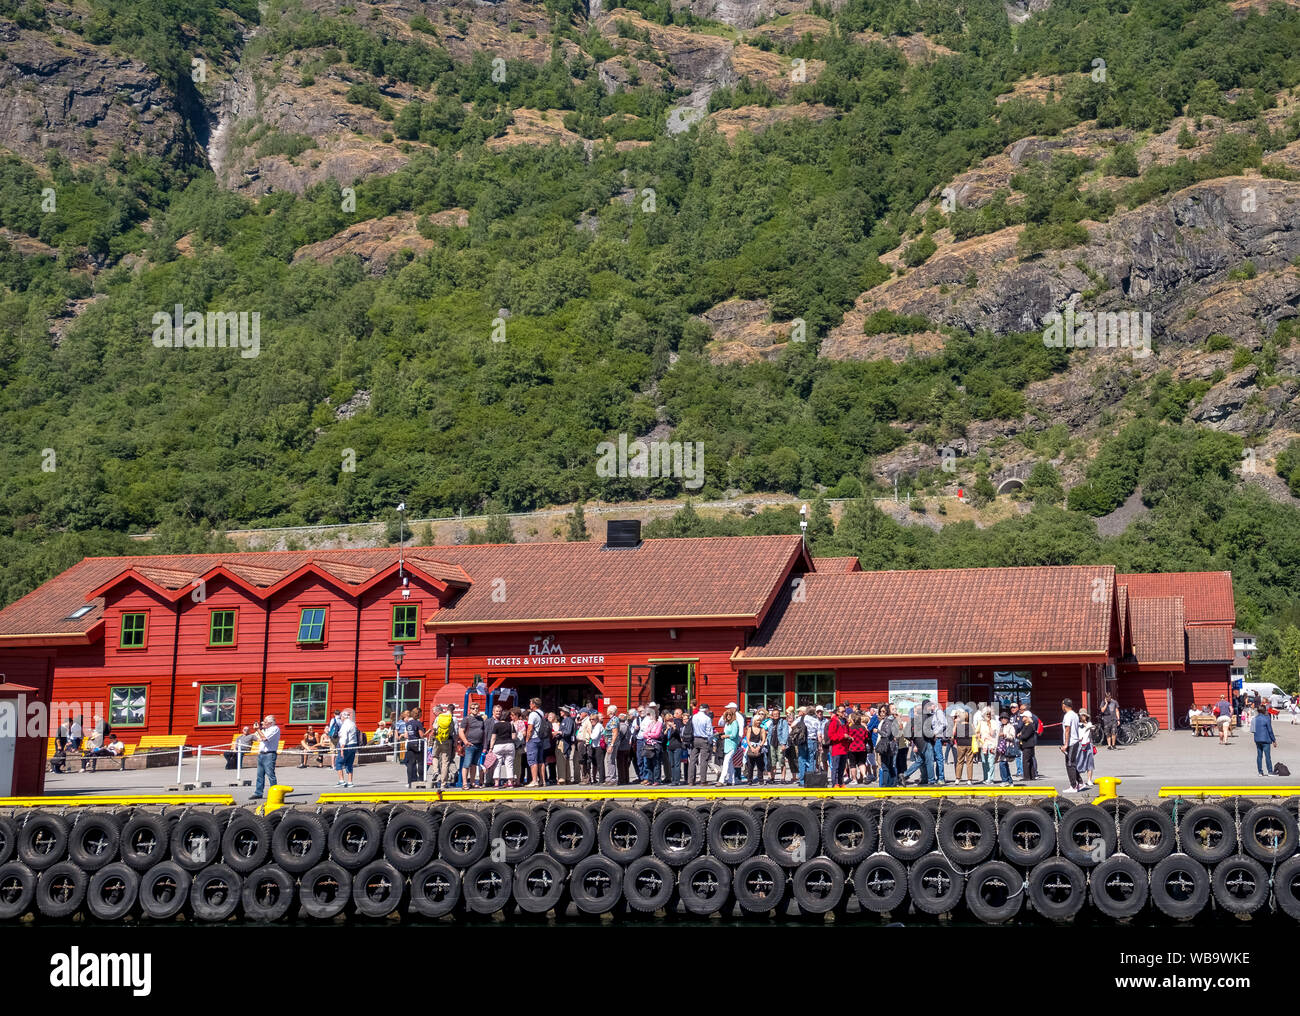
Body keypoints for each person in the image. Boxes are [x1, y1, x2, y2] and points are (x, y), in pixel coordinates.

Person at [249, 714, 280, 800]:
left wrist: (258, 729)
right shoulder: (265, 730)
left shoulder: (275, 729)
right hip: (261, 753)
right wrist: (259, 729)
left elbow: (264, 738)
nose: (263, 722)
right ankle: (258, 792)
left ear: (270, 723)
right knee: (259, 775)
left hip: (269, 754)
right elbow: (257, 738)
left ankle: (274, 792)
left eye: (265, 721)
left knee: (270, 774)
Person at [488, 707, 517, 787]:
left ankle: (496, 783)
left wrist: (491, 748)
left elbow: (493, 737)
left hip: (498, 745)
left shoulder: (496, 725)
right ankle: (510, 782)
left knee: (497, 764)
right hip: (509, 745)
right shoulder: (510, 725)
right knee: (509, 764)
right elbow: (514, 737)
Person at [1061, 698, 1082, 793]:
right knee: (1072, 763)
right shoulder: (1075, 714)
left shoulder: (1068, 716)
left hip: (1071, 742)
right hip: (1075, 741)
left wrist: (1065, 744)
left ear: (1064, 705)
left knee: (1070, 764)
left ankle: (1073, 786)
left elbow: (1067, 729)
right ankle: (1080, 782)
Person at [876, 704, 901, 787]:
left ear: (887, 712)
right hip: (891, 745)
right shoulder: (892, 720)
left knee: (885, 766)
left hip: (887, 746)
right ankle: (892, 784)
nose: (882, 713)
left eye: (884, 711)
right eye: (881, 711)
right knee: (890, 766)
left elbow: (887, 734)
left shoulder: (888, 721)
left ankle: (885, 785)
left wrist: (878, 731)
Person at [826, 704, 850, 787]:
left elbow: (848, 732)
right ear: (837, 712)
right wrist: (842, 736)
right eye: (842, 711)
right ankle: (835, 783)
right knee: (835, 767)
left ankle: (841, 782)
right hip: (836, 747)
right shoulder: (834, 721)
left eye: (844, 711)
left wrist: (849, 737)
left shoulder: (845, 721)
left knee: (842, 767)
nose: (844, 713)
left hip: (844, 747)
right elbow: (831, 736)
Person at [688, 704, 713, 784]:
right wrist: (710, 741)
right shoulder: (707, 718)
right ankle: (703, 780)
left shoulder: (694, 717)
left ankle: (690, 780)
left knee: (692, 760)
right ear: (706, 709)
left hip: (695, 738)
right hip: (704, 739)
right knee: (703, 761)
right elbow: (709, 732)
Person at [335, 709, 359, 789]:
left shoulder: (345, 725)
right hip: (353, 745)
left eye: (341, 717)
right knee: (349, 763)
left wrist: (342, 749)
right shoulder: (353, 724)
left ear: (343, 717)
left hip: (346, 746)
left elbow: (344, 737)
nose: (340, 718)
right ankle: (350, 782)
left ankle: (341, 780)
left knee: (338, 762)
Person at [718, 705, 741, 785]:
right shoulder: (727, 724)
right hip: (727, 745)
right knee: (730, 763)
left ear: (732, 715)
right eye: (726, 715)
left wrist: (725, 736)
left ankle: (721, 779)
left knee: (726, 761)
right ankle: (732, 780)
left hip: (732, 744)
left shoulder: (735, 723)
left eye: (729, 715)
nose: (728, 716)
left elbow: (734, 735)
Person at [742, 710, 767, 784]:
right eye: (757, 721)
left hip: (759, 747)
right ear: (754, 721)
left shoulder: (762, 729)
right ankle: (750, 780)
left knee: (760, 765)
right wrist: (752, 747)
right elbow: (748, 739)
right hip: (751, 747)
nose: (758, 722)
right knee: (750, 765)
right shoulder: (750, 729)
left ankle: (761, 779)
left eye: (760, 721)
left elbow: (763, 739)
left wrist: (759, 747)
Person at [1254, 701, 1278, 776]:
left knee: (1259, 756)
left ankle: (1260, 772)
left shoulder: (1255, 719)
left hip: (1257, 739)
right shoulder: (1267, 718)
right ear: (1264, 710)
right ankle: (1270, 771)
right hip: (1266, 739)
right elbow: (1270, 730)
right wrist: (1274, 740)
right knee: (1267, 756)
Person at [976, 706, 999, 784]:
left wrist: (989, 725)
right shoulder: (981, 723)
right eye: (986, 714)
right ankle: (985, 778)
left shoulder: (994, 722)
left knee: (991, 762)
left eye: (989, 714)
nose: (988, 716)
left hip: (991, 744)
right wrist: (978, 735)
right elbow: (977, 732)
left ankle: (991, 778)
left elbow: (993, 733)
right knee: (984, 762)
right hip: (983, 745)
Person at [996, 712, 1019, 786]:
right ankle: (1010, 781)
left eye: (1005, 718)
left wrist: (1005, 735)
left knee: (1002, 764)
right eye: (1002, 718)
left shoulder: (1010, 727)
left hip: (1008, 747)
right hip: (1001, 748)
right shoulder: (1000, 727)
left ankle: (1004, 780)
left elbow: (1012, 737)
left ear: (1008, 719)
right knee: (1004, 764)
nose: (1003, 719)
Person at [847, 711, 870, 785]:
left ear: (853, 720)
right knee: (861, 763)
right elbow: (866, 738)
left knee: (852, 764)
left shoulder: (850, 728)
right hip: (862, 748)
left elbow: (848, 738)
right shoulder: (863, 728)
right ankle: (864, 775)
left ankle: (854, 779)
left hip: (852, 748)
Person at [952, 709, 974, 785]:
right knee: (969, 762)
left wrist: (955, 724)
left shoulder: (959, 726)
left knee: (960, 761)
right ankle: (969, 779)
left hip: (960, 744)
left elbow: (953, 733)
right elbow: (974, 734)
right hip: (969, 744)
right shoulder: (971, 725)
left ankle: (958, 778)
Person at [1017, 707, 1038, 780]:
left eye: (1023, 717)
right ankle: (1031, 775)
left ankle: (1027, 776)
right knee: (1029, 760)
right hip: (1027, 745)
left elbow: (1026, 736)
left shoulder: (1030, 725)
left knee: (1026, 761)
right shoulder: (1026, 725)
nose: (1022, 718)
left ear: (1027, 717)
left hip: (1028, 745)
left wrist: (1020, 736)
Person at [1077, 710, 1097, 788]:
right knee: (1079, 762)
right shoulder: (1077, 724)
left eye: (1084, 715)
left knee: (1090, 763)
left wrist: (1087, 725)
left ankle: (1089, 780)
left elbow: (1093, 728)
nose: (1082, 717)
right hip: (1079, 744)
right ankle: (1078, 780)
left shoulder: (1089, 724)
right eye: (1081, 715)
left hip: (1088, 745)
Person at [603, 705, 621, 785]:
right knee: (609, 760)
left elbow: (615, 732)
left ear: (611, 711)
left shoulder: (614, 720)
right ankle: (610, 777)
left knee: (611, 760)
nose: (606, 711)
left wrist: (611, 745)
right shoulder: (612, 720)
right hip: (609, 742)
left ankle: (612, 779)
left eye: (607, 710)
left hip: (612, 743)